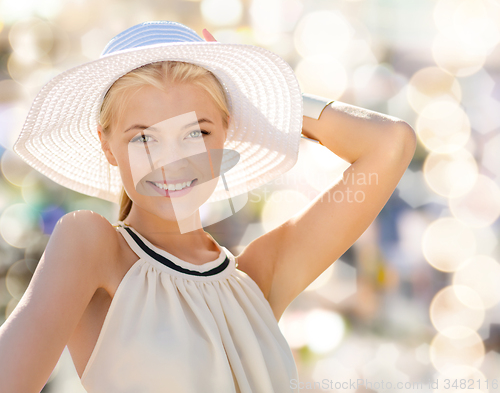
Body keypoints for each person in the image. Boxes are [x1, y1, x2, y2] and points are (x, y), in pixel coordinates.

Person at [0, 21, 416, 393]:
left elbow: (390, 144)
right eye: (143, 138)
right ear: (107, 145)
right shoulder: (92, 244)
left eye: (195, 133)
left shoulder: (257, 277)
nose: (172, 162)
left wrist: (263, 101)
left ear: (226, 133)